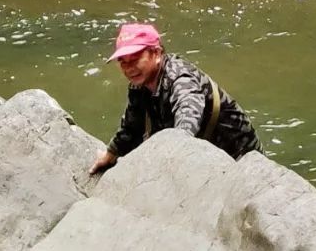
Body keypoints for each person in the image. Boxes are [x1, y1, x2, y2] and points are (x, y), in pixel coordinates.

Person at [89, 22, 261, 176]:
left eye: (135, 59)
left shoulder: (181, 79)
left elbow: (187, 123)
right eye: (123, 62)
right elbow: (131, 127)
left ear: (156, 53)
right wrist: (110, 155)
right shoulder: (138, 85)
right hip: (202, 156)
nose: (129, 68)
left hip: (240, 161)